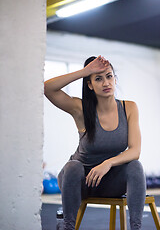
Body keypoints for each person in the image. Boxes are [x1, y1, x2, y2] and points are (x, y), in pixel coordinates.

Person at [44, 56, 146, 230]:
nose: (106, 83)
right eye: (98, 79)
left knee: (135, 166)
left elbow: (135, 150)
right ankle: (68, 226)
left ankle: (136, 227)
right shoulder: (80, 109)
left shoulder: (129, 108)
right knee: (72, 166)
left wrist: (108, 163)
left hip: (108, 181)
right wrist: (86, 71)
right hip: (78, 181)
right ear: (89, 85)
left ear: (114, 78)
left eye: (109, 76)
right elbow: (47, 88)